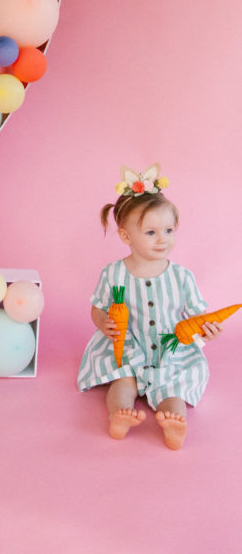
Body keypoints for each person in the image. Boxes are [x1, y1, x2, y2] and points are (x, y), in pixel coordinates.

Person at [77, 164, 222, 450]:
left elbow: (197, 315)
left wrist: (206, 329)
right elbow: (97, 307)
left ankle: (174, 422)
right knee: (123, 381)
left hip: (170, 347)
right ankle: (119, 414)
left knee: (173, 385)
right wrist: (102, 321)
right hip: (126, 343)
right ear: (126, 236)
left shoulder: (182, 276)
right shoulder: (113, 273)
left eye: (168, 230)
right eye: (151, 232)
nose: (162, 239)